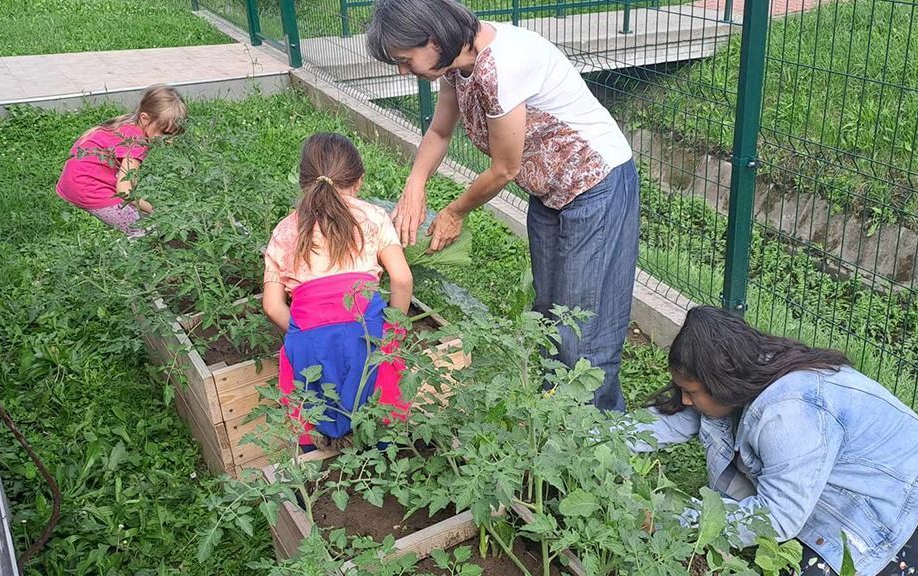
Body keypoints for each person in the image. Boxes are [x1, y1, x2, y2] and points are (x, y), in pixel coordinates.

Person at [366, 0, 639, 411]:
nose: (406, 72)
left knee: (583, 322)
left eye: (406, 61)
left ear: (434, 39)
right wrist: (415, 184)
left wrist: (454, 212)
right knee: (550, 312)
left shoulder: (502, 66)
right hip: (550, 190)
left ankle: (599, 435)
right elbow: (440, 131)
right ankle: (551, 417)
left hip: (595, 183)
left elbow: (504, 167)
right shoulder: (457, 63)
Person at [628, 306, 918, 576]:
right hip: (877, 479)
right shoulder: (744, 370)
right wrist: (591, 438)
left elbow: (777, 518)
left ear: (721, 382)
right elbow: (669, 419)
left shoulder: (789, 415)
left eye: (690, 391)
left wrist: (675, 520)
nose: (685, 400)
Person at [262, 133, 414, 451]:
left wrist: (304, 331)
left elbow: (272, 306)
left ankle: (314, 473)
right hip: (365, 332)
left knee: (311, 413)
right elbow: (400, 279)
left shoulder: (285, 229)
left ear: (304, 183)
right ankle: (385, 466)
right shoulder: (372, 217)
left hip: (309, 339)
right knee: (381, 413)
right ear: (358, 181)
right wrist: (393, 333)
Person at [56, 84, 186, 238]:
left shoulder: (128, 125)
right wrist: (155, 209)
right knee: (142, 229)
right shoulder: (136, 143)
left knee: (139, 216)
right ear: (145, 119)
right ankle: (134, 256)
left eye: (173, 135)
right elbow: (124, 192)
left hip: (74, 181)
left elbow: (130, 178)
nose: (169, 141)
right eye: (164, 133)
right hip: (88, 189)